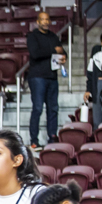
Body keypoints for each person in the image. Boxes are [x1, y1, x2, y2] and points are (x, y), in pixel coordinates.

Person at [27, 12, 66, 151]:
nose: (45, 22)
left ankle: (52, 137)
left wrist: (63, 57)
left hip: (52, 77)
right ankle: (34, 140)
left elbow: (62, 52)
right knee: (37, 108)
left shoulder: (53, 36)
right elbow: (35, 54)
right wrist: (53, 50)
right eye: (42, 19)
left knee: (53, 109)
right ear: (38, 22)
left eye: (47, 19)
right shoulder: (32, 36)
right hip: (37, 77)